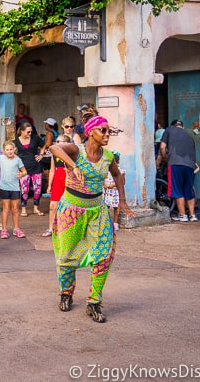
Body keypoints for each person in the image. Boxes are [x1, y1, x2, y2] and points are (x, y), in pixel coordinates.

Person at [49, 114, 134, 323]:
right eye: (102, 130)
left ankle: (94, 301)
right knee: (67, 256)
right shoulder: (76, 150)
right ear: (90, 133)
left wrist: (122, 200)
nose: (107, 134)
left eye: (108, 131)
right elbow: (54, 149)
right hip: (71, 210)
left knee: (104, 255)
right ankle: (66, 292)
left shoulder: (108, 156)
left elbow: (117, 175)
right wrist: (73, 165)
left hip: (98, 210)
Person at [158, 119, 198, 222]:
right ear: (182, 127)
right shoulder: (189, 136)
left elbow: (162, 147)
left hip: (175, 163)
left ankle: (182, 215)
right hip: (190, 165)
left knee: (177, 189)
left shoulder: (169, 130)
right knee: (188, 189)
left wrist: (165, 157)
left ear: (172, 126)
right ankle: (193, 215)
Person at [0, 141, 27, 239]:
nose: (9, 151)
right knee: (6, 209)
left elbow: (24, 171)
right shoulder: (1, 158)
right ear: (4, 151)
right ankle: (4, 230)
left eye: (11, 149)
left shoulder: (18, 160)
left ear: (14, 149)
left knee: (15, 209)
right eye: (7, 150)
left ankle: (16, 229)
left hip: (15, 188)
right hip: (4, 187)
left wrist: (21, 174)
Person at [15, 121, 46, 217]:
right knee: (24, 189)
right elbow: (12, 152)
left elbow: (44, 145)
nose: (30, 133)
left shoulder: (35, 138)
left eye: (31, 132)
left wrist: (41, 154)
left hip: (36, 166)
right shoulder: (15, 141)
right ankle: (23, 209)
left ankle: (36, 208)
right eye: (28, 132)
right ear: (22, 131)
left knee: (37, 189)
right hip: (23, 168)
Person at [43, 134, 72, 237]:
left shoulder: (72, 155)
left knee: (68, 207)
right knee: (53, 206)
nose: (57, 143)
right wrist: (49, 185)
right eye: (57, 141)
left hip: (68, 182)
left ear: (66, 143)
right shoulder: (54, 155)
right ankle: (51, 228)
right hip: (57, 182)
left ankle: (66, 229)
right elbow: (51, 170)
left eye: (60, 141)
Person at [103, 152, 125, 231]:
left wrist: (111, 185)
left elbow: (122, 182)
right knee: (106, 208)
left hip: (115, 192)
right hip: (108, 192)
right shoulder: (106, 170)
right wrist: (105, 185)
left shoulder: (120, 171)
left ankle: (115, 224)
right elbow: (103, 179)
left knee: (116, 208)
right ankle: (107, 223)